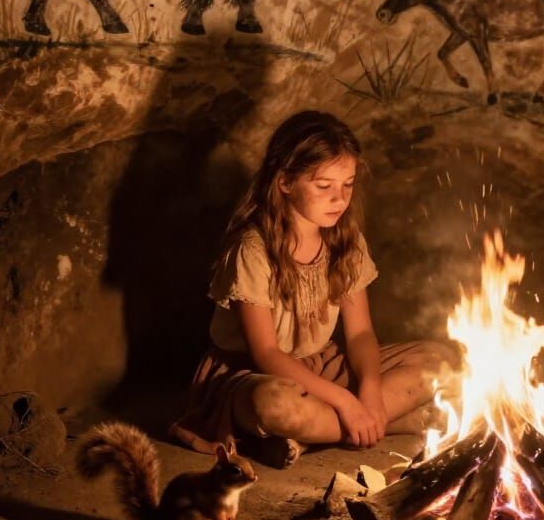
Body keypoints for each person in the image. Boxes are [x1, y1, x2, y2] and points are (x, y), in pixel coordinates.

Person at [171, 110, 458, 467]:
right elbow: (267, 354)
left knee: (443, 360)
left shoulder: (346, 242)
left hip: (321, 365)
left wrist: (368, 392)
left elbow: (360, 335)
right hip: (256, 376)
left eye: (348, 184)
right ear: (285, 182)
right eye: (324, 186)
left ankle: (318, 433)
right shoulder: (253, 249)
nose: (339, 198)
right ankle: (387, 422)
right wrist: (346, 402)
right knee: (276, 406)